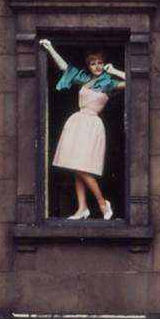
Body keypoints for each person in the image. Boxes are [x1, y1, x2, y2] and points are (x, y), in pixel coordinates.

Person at [41, 39, 125, 220]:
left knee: (83, 166)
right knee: (75, 165)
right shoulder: (85, 79)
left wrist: (114, 71)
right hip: (78, 122)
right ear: (89, 65)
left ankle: (102, 203)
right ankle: (82, 208)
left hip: (92, 124)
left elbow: (135, 80)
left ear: (104, 63)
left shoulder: (109, 82)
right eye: (93, 63)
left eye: (100, 62)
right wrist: (50, 48)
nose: (97, 66)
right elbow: (65, 68)